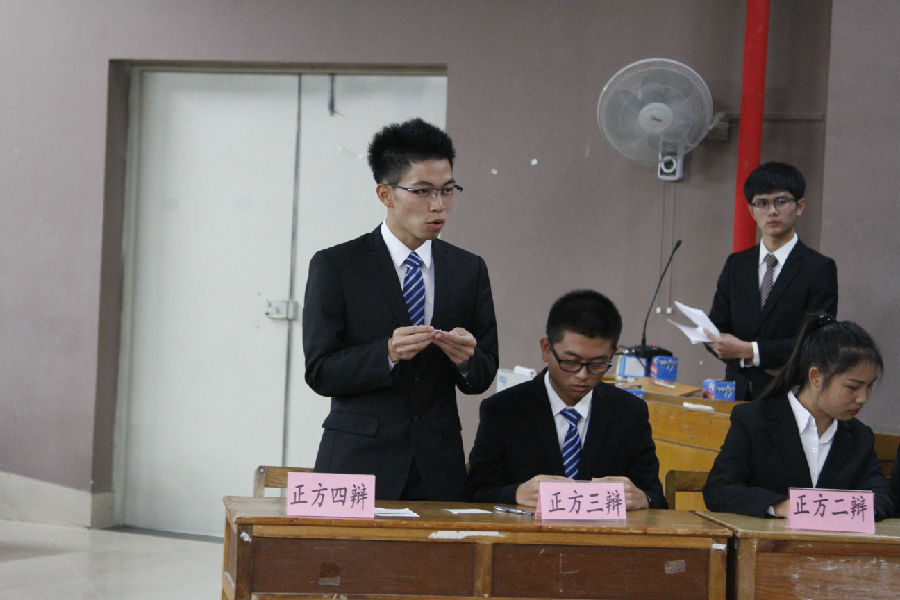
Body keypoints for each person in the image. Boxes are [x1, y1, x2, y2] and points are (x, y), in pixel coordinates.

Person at [302, 118, 499, 502]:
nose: (438, 205)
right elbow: (320, 372)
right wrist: (387, 353)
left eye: (447, 190)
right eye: (422, 191)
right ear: (385, 194)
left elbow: (483, 374)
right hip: (356, 461)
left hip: (438, 467)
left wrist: (465, 360)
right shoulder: (337, 266)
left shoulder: (468, 269)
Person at [468, 290, 666, 509]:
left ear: (613, 354)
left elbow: (657, 499)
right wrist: (516, 493)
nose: (582, 374)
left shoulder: (629, 412)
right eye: (571, 362)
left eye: (597, 364)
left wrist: (643, 499)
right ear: (546, 349)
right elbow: (476, 493)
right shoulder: (503, 410)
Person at [703, 314, 894, 520]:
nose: (863, 398)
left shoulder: (859, 436)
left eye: (869, 386)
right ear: (816, 377)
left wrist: (834, 509)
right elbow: (719, 489)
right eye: (853, 387)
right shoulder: (754, 420)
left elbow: (882, 499)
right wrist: (781, 506)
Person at [706, 162, 838, 400]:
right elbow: (716, 327)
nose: (772, 211)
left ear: (800, 206)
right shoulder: (737, 264)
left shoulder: (819, 268)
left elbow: (818, 341)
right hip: (735, 392)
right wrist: (728, 348)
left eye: (781, 201)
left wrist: (751, 351)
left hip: (790, 394)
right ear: (751, 210)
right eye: (762, 203)